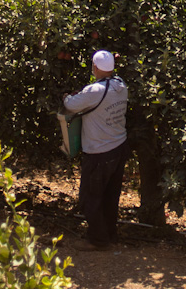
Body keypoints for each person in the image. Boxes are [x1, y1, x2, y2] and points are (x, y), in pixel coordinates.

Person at [62, 49, 130, 250]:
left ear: (96, 67)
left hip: (99, 152)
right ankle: (110, 235)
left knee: (90, 198)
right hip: (118, 147)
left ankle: (98, 240)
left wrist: (66, 95)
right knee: (111, 195)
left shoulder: (94, 91)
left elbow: (71, 105)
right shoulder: (121, 86)